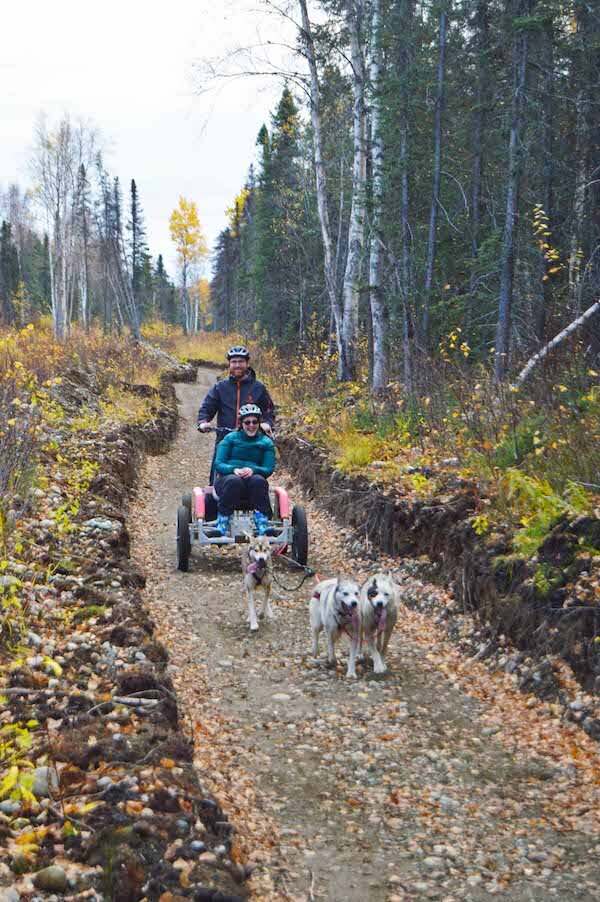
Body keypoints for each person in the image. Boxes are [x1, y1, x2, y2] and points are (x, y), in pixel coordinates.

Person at [213, 404, 276, 536]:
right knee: (234, 481)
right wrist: (233, 469)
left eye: (255, 422)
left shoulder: (266, 443)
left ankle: (262, 520)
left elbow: (268, 468)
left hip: (253, 484)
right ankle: (223, 519)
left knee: (258, 480)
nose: (251, 425)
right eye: (247, 422)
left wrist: (253, 469)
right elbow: (218, 464)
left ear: (259, 423)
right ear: (241, 423)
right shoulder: (230, 439)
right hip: (227, 481)